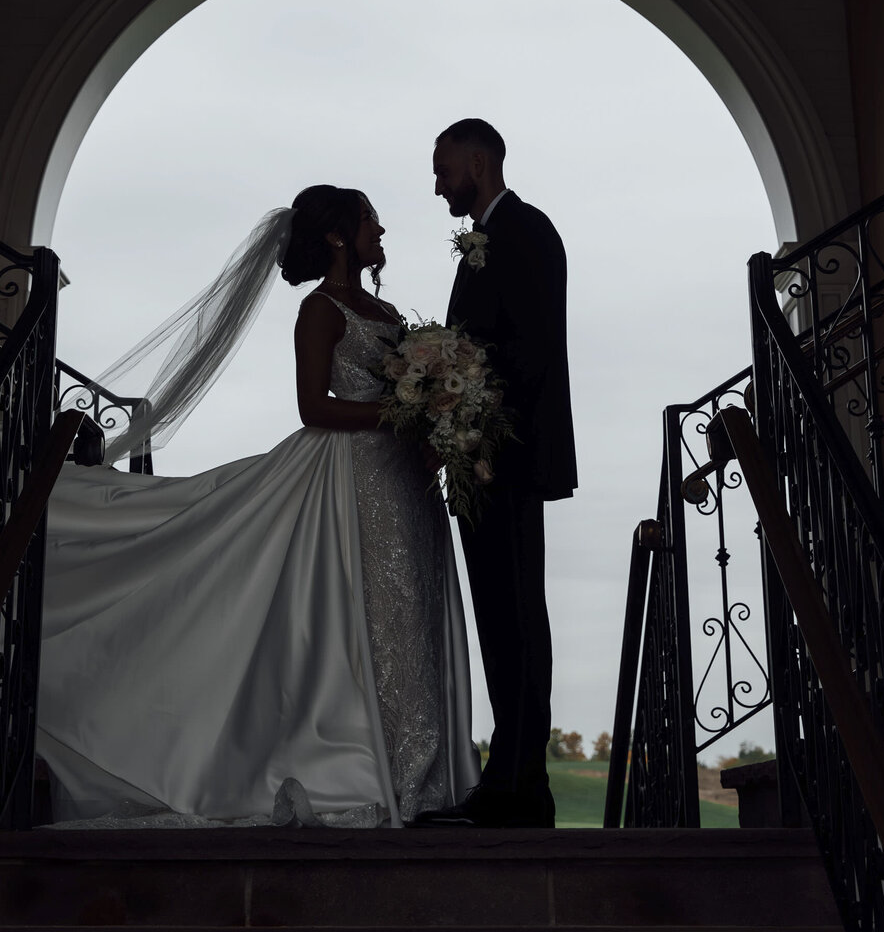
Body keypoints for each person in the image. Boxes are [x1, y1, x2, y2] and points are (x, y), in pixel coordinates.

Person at [37, 185, 478, 828]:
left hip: (406, 484)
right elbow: (314, 406)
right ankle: (376, 771)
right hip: (352, 480)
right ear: (336, 236)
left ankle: (425, 774)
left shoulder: (385, 311)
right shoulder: (320, 309)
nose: (380, 233)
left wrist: (434, 423)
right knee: (370, 615)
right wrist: (404, 412)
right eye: (369, 223)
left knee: (413, 611)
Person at [416, 119, 575, 829]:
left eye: (443, 169)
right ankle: (509, 781)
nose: (438, 183)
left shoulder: (528, 232)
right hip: (480, 460)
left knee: (516, 618)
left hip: (508, 458)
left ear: (477, 163)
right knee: (498, 622)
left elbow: (534, 348)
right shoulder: (485, 238)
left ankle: (519, 787)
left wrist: (466, 400)